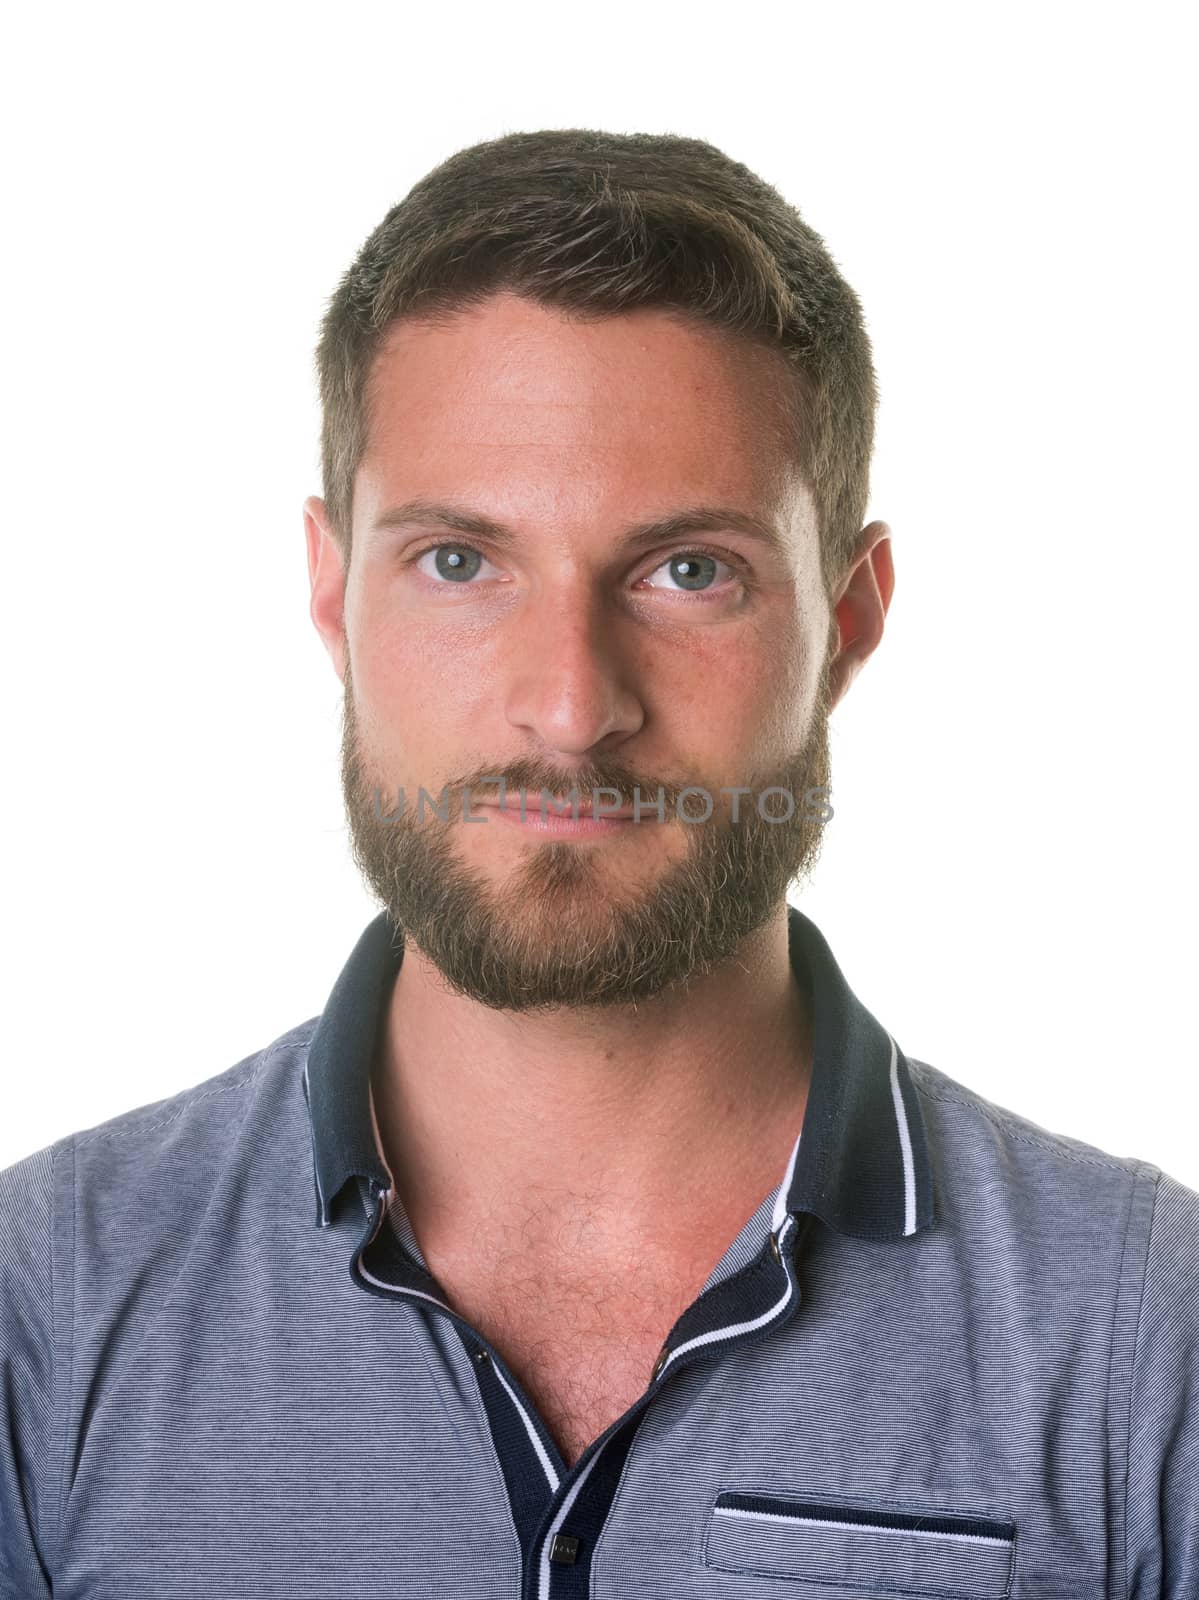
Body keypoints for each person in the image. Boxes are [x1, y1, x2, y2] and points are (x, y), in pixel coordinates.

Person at [2, 129, 1195, 1600]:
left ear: (849, 620)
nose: (570, 707)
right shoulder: (41, 1312)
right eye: (459, 562)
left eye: (689, 571)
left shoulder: (1148, 1338)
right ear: (331, 594)